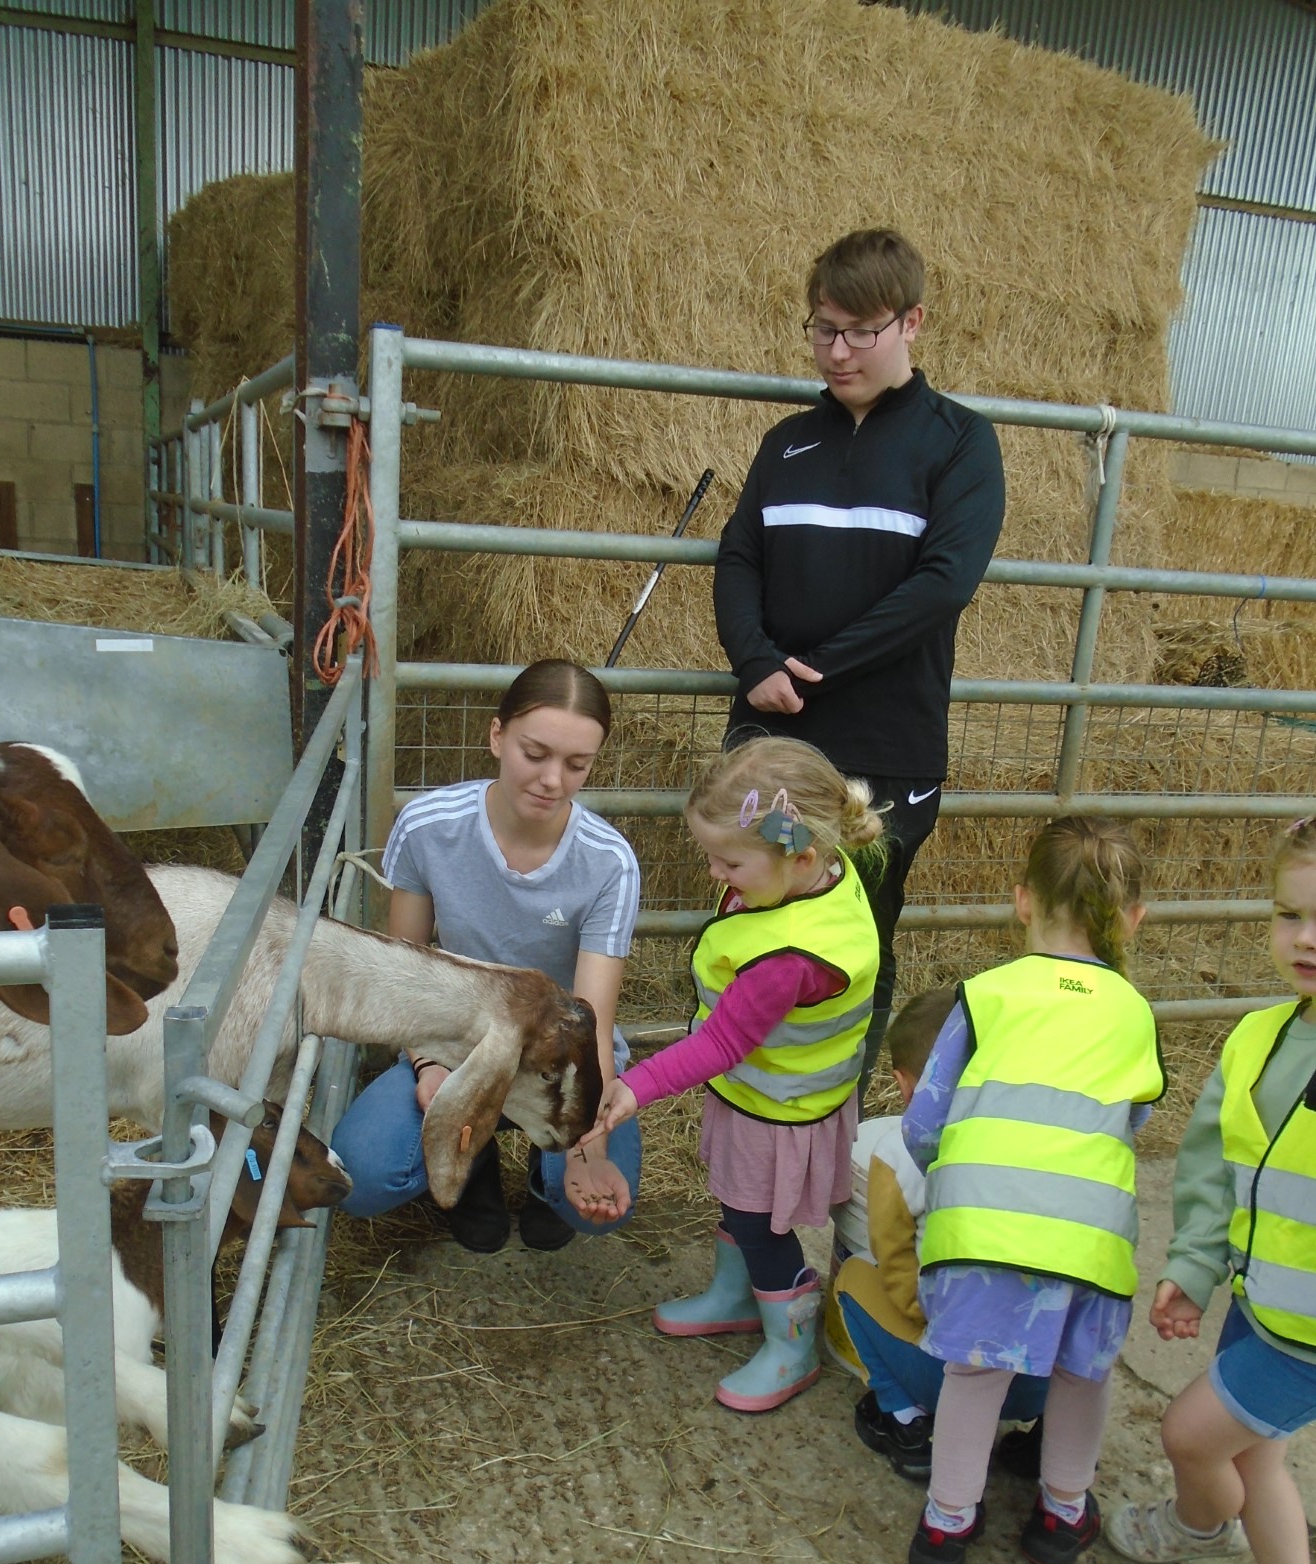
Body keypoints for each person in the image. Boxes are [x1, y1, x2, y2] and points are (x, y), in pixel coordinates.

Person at [713, 227, 1006, 1091]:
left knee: (854, 932)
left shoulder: (959, 443)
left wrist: (819, 668)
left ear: (911, 322)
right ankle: (748, 1098)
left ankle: (829, 1107)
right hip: (775, 743)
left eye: (859, 332)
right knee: (763, 902)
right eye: (821, 329)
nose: (836, 352)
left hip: (883, 755)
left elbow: (946, 581)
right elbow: (739, 557)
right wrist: (755, 659)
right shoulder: (787, 444)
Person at [901, 817, 1165, 1564]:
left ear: (1022, 901)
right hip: (1090, 1237)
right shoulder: (1135, 1013)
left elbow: (926, 1121)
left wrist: (952, 1182)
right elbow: (1134, 1118)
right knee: (1084, 1374)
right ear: (1134, 919)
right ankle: (1061, 1512)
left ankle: (946, 1526)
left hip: (981, 1223)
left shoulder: (985, 996)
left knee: (974, 1374)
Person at [582, 736, 881, 1413]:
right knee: (738, 1199)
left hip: (779, 1109)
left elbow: (722, 1042)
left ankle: (792, 1339)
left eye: (729, 860)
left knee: (757, 1221)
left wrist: (634, 1086)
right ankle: (733, 1295)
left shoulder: (789, 959)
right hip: (765, 1093)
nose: (716, 873)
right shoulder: (817, 874)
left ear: (800, 856)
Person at [332, 660, 641, 1253]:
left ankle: (545, 1178)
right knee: (363, 1177)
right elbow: (407, 973)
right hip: (455, 1038)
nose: (553, 779)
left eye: (577, 765)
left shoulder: (609, 862)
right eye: (535, 753)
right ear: (497, 736)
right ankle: (471, 1168)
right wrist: (429, 1067)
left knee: (595, 1202)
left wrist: (585, 1150)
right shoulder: (428, 826)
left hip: (560, 1055)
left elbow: (591, 1019)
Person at [1108, 816, 1316, 1564]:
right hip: (1263, 1298)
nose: (1304, 939)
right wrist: (1195, 1266)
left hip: (1307, 1333)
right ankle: (1208, 1531)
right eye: (1288, 913)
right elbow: (1210, 1170)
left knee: (1193, 1435)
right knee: (1251, 1447)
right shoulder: (1259, 1037)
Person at [827, 986, 1048, 1483]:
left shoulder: (900, 1153)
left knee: (856, 1279)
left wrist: (919, 1319)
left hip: (956, 1377)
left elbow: (900, 1270)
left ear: (904, 1084)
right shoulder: (1045, 1139)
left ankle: (906, 1422)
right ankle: (1050, 1443)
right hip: (1048, 1376)